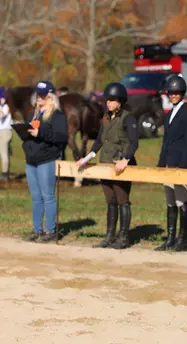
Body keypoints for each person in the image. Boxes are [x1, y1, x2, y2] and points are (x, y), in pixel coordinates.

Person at [76, 82, 139, 250]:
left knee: (122, 201)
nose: (108, 103)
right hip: (105, 165)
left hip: (121, 166)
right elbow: (99, 141)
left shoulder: (128, 117)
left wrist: (126, 159)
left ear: (120, 101)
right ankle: (110, 236)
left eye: (112, 100)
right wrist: (87, 157)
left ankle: (124, 237)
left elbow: (134, 142)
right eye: (107, 100)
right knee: (110, 201)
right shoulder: (105, 117)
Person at [21, 81, 67, 243]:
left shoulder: (57, 116)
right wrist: (25, 142)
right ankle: (37, 230)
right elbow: (28, 135)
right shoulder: (33, 114)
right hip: (31, 161)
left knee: (48, 196)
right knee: (35, 197)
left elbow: (61, 137)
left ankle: (50, 231)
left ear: (51, 97)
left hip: (47, 160)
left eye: (43, 95)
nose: (39, 97)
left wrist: (40, 133)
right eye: (38, 94)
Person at [155, 75, 187, 252]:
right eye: (171, 93)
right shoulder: (169, 114)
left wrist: (183, 165)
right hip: (168, 163)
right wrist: (161, 164)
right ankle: (170, 238)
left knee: (181, 201)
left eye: (176, 93)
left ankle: (182, 239)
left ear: (182, 94)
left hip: (180, 163)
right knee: (170, 201)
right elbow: (165, 141)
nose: (173, 95)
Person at [0, 90, 13, 181]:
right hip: (3, 131)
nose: (2, 100)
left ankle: (4, 173)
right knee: (5, 153)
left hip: (5, 132)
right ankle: (6, 171)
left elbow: (2, 115)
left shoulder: (5, 107)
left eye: (3, 98)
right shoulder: (2, 106)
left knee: (4, 153)